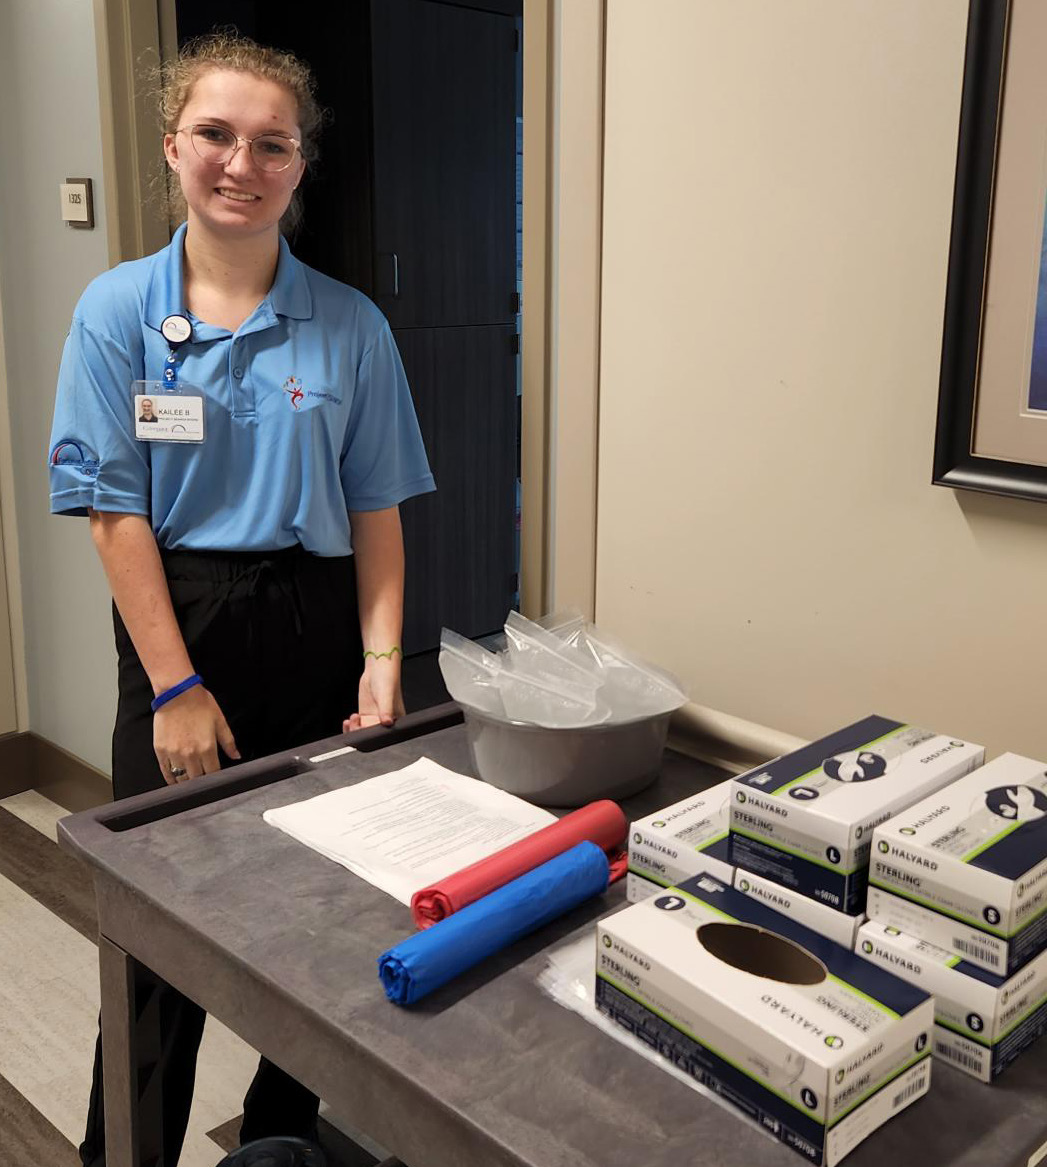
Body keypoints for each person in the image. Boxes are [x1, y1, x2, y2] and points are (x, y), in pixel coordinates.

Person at [47, 31, 435, 1167]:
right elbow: (114, 513)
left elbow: (377, 511)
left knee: (319, 921)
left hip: (319, 630)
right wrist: (174, 684)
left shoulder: (352, 325)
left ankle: (277, 1147)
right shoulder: (118, 314)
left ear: (301, 165)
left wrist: (381, 661)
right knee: (162, 950)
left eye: (273, 143)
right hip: (184, 623)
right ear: (174, 146)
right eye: (215, 134)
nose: (241, 162)